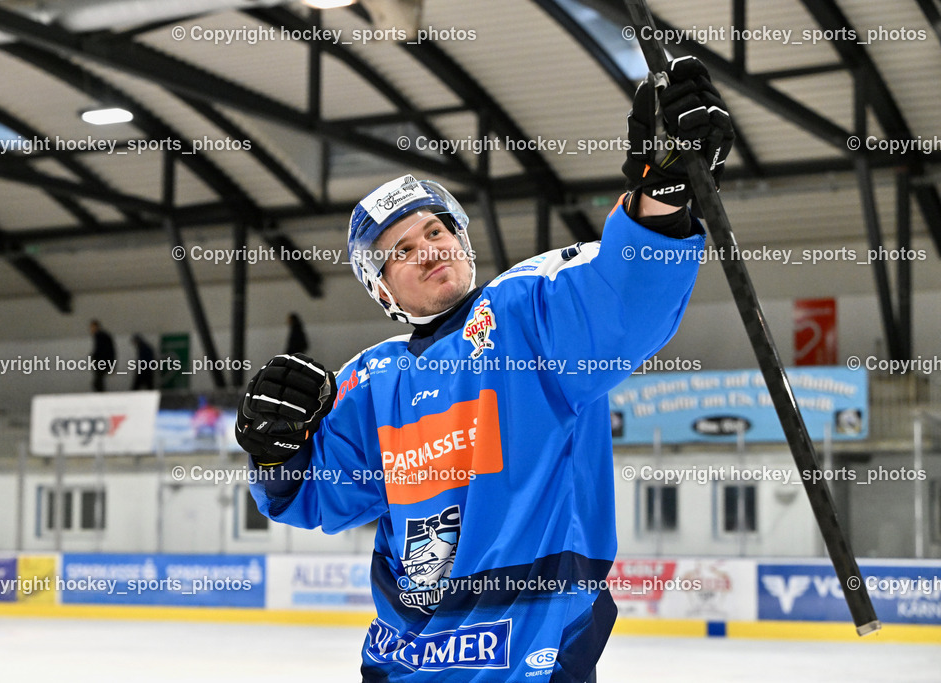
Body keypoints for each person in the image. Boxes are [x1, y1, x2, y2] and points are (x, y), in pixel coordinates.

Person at [236, 57, 732, 682]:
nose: (429, 249)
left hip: (526, 658)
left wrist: (663, 190)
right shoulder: (368, 383)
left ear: (464, 240)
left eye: (437, 229)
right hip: (403, 665)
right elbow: (315, 497)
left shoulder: (530, 309)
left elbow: (623, 302)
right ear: (381, 291)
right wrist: (274, 454)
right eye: (402, 252)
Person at [88, 319, 116, 392]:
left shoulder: (100, 336)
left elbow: (103, 350)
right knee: (98, 381)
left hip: (102, 361)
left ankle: (101, 397)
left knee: (98, 382)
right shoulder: (103, 335)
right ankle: (101, 397)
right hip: (104, 361)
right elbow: (110, 350)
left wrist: (94, 356)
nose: (91, 329)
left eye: (92, 327)